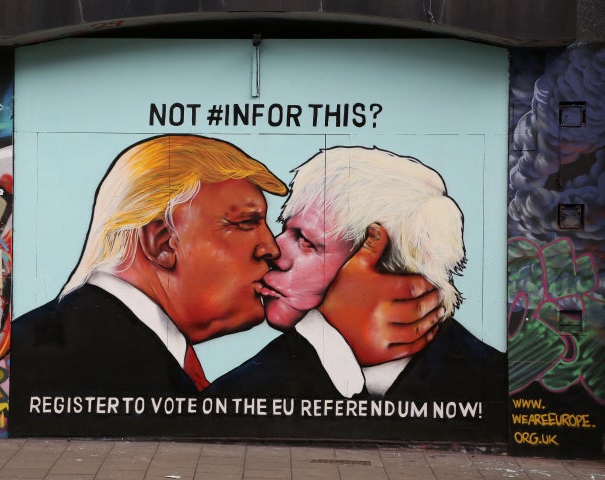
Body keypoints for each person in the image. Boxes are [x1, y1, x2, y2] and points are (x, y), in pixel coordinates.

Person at [9, 136, 440, 436]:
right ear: (162, 243)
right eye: (246, 222)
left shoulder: (90, 338)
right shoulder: (93, 358)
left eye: (302, 240)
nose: (271, 248)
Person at [208, 146, 505, 402]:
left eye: (307, 242)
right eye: (286, 229)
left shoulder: (493, 383)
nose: (274, 250)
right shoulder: (238, 390)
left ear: (387, 270)